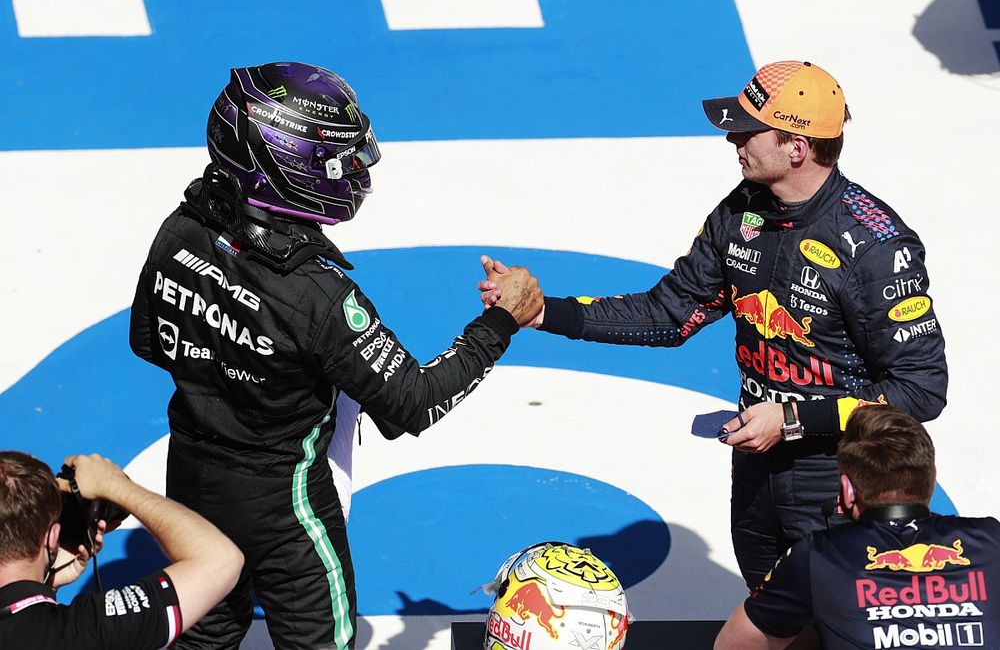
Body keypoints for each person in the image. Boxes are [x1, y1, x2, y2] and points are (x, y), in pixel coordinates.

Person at [480, 60, 947, 589]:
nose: (733, 139)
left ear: (797, 147)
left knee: (835, 625)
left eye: (748, 129)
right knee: (768, 617)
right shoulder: (739, 211)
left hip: (840, 477)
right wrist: (542, 312)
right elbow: (669, 313)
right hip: (756, 469)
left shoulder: (876, 245)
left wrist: (794, 419)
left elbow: (921, 390)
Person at [129, 61, 542, 650]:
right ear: (284, 164)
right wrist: (502, 321)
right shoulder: (317, 294)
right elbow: (413, 404)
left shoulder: (181, 230)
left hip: (190, 480)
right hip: (285, 505)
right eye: (334, 159)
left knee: (206, 636)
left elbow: (149, 342)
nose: (351, 170)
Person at [714, 405, 1000, 649]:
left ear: (847, 490)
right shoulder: (991, 538)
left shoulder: (818, 555)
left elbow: (733, 644)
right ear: (932, 477)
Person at [0, 451, 243, 649]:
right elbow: (221, 560)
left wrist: (47, 586)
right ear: (53, 538)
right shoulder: (78, 633)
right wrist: (115, 487)